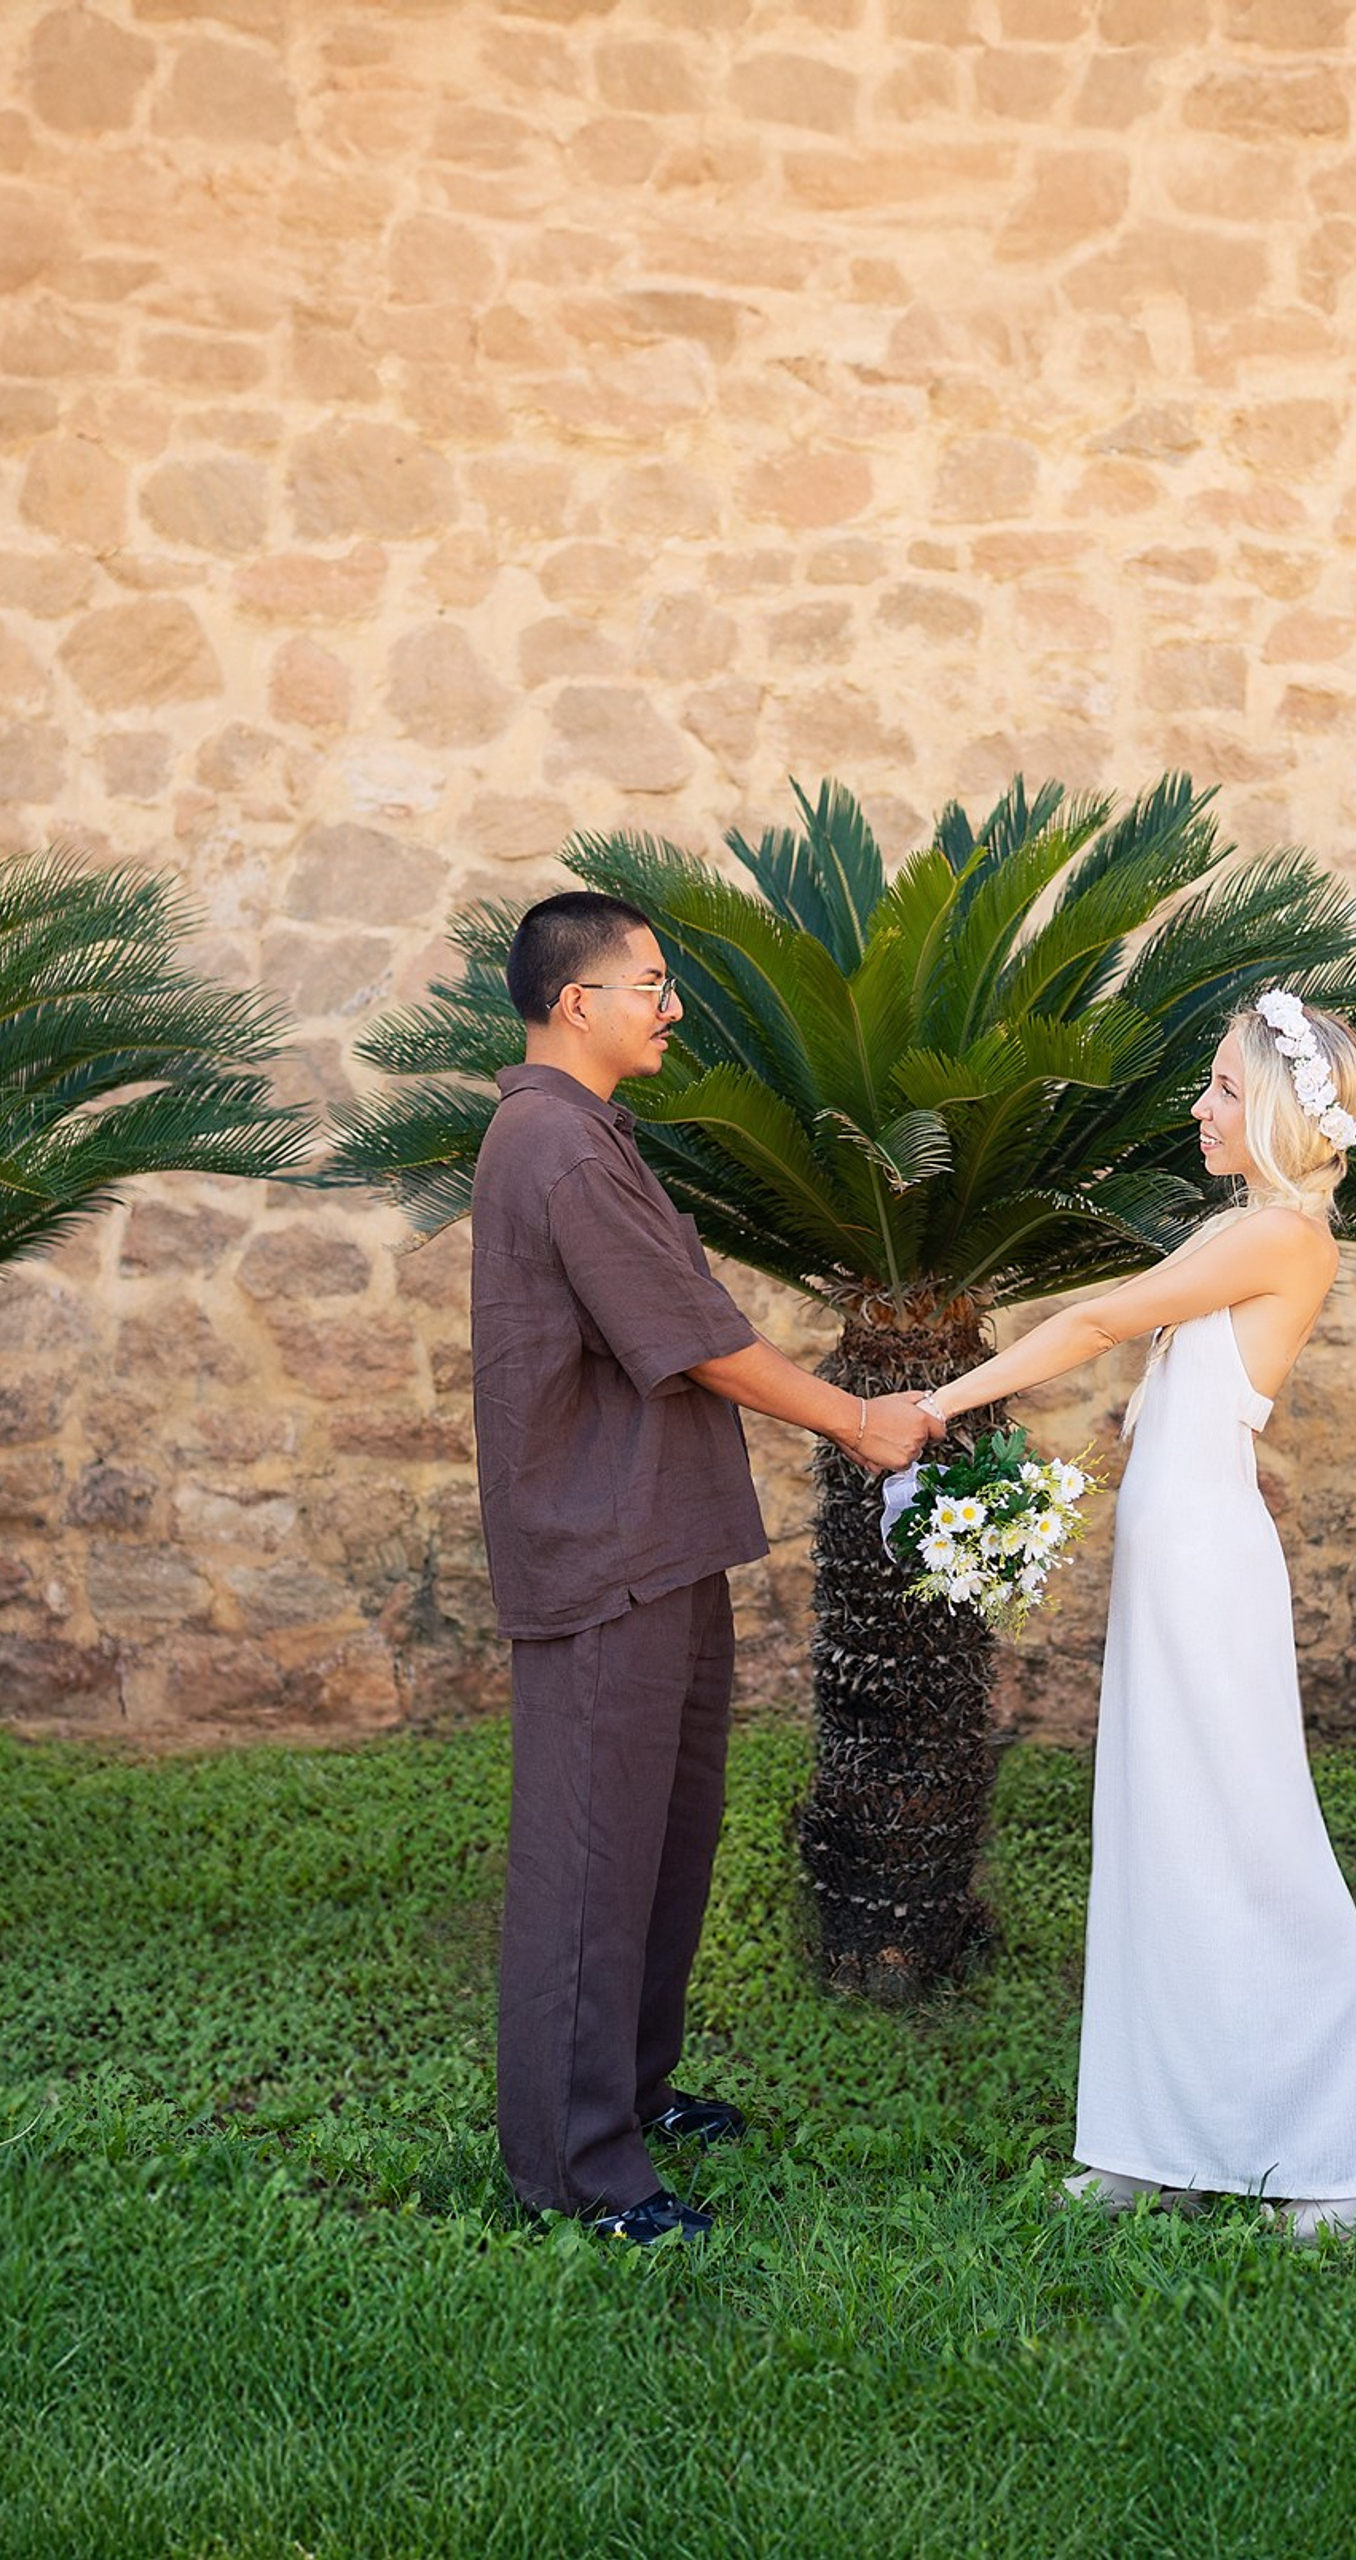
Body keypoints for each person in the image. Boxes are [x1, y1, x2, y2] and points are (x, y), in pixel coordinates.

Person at [915, 994, 1356, 2241]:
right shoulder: (1238, 1227)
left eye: (1215, 1087)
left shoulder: (1283, 1238)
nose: (1196, 1106)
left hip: (1210, 1574)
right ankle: (1156, 2135)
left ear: (1268, 1105)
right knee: (1158, 1836)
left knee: (1250, 1839)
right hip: (1173, 1567)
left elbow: (1103, 1316)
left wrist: (940, 1400)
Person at [469, 890, 939, 2244]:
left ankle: (633, 2092)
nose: (673, 1009)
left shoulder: (585, 1138)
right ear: (580, 1004)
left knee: (663, 1843)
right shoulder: (552, 1147)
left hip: (657, 1536)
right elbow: (693, 1337)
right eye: (653, 985)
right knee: (590, 1855)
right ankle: (577, 2170)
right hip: (602, 1548)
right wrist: (858, 1419)